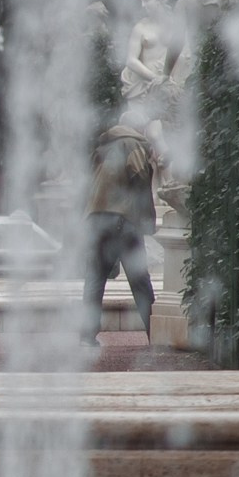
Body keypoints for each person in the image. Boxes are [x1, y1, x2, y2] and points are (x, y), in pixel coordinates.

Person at [83, 121, 156, 343]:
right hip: (123, 218)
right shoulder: (131, 143)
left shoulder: (102, 146)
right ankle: (155, 331)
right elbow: (140, 176)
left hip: (97, 218)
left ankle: (86, 336)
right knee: (139, 279)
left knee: (95, 276)